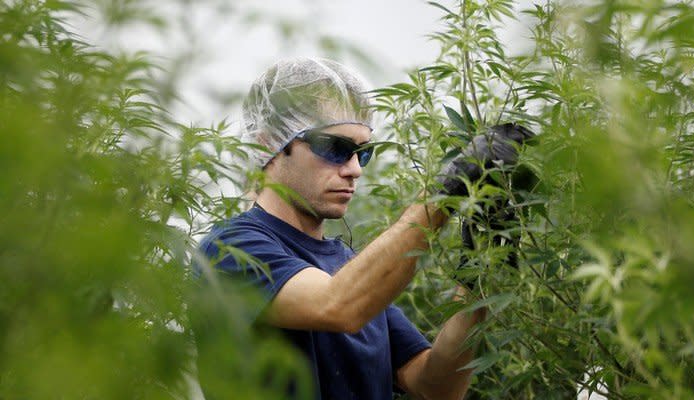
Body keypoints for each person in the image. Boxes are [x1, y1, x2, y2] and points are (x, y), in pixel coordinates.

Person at [196, 57, 530, 400]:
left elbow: (435, 386)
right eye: (335, 148)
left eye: (362, 153)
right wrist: (444, 192)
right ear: (268, 144)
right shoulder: (229, 250)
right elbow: (337, 305)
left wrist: (479, 272)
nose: (355, 169)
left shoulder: (347, 266)